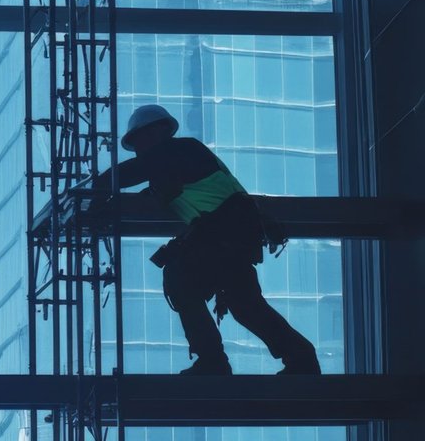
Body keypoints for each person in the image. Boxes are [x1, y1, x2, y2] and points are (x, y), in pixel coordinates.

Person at [117, 104, 320, 376]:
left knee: (179, 279)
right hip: (233, 236)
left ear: (158, 132)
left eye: (139, 140)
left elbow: (128, 173)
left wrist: (88, 191)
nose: (139, 148)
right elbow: (155, 191)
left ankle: (212, 360)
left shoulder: (179, 150)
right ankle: (301, 357)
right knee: (245, 306)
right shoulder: (177, 164)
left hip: (223, 233)